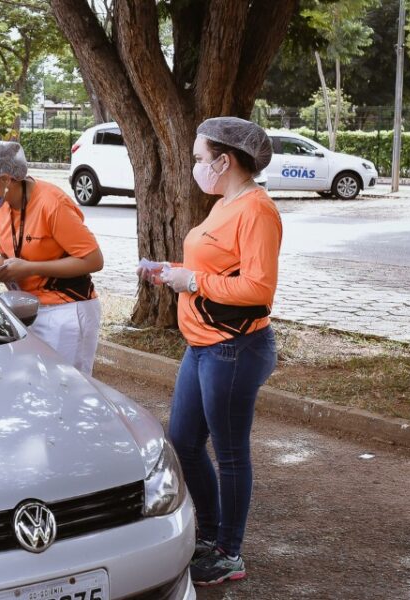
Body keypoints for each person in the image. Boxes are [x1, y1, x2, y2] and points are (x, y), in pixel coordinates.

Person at [138, 117, 282, 587]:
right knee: (183, 441)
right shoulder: (225, 203)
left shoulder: (257, 210)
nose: (197, 165)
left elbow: (258, 289)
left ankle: (229, 552)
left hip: (234, 349)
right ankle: (213, 533)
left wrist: (193, 280)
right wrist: (171, 271)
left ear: (226, 160)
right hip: (201, 345)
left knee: (231, 453)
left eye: (202, 158)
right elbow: (214, 266)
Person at [0, 140, 104, 375]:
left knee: (66, 389)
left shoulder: (52, 203)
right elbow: (7, 255)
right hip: (25, 310)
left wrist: (30, 268)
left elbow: (93, 260)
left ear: (6, 179)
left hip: (67, 310)